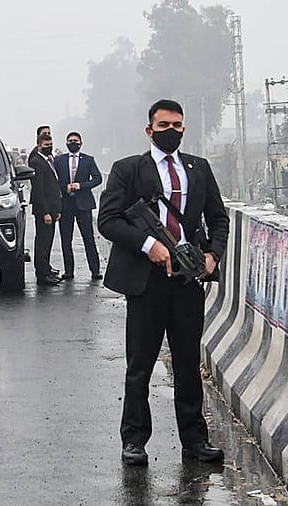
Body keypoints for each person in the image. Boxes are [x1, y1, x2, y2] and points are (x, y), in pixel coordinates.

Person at [98, 99, 230, 466]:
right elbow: (107, 220)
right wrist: (148, 245)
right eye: (164, 125)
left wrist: (212, 256)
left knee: (188, 362)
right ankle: (134, 440)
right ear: (149, 129)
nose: (171, 131)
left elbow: (219, 219)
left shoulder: (198, 169)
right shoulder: (127, 170)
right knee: (140, 365)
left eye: (177, 125)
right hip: (147, 281)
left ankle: (195, 440)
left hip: (188, 280)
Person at [54, 131, 103, 280]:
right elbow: (53, 181)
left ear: (81, 143)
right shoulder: (59, 160)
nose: (73, 143)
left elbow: (97, 178)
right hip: (65, 204)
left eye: (75, 140)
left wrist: (81, 185)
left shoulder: (88, 160)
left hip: (83, 204)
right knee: (66, 239)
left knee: (88, 238)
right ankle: (69, 271)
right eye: (70, 141)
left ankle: (95, 270)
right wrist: (65, 188)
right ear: (66, 143)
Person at [28, 133, 61, 286]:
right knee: (42, 242)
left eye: (50, 144)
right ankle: (42, 274)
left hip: (52, 209)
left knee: (48, 242)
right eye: (46, 145)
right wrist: (46, 212)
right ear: (39, 145)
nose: (49, 147)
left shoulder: (49, 161)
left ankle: (46, 269)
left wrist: (56, 210)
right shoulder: (37, 162)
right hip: (44, 211)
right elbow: (39, 190)